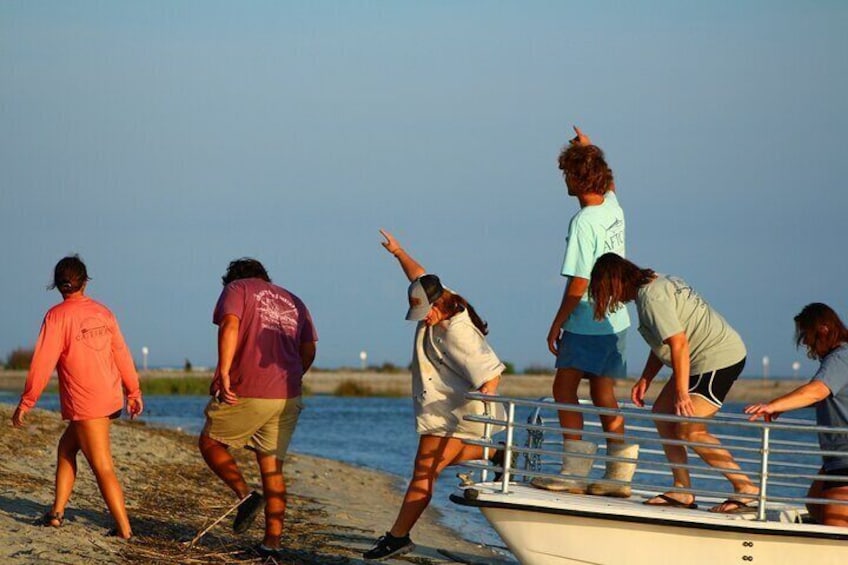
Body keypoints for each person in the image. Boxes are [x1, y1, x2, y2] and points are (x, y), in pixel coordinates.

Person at [364, 230, 505, 561]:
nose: (423, 318)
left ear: (437, 303)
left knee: (423, 473)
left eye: (426, 311)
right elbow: (419, 274)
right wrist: (399, 252)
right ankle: (495, 454)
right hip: (446, 409)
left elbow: (493, 373)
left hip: (454, 412)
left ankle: (398, 537)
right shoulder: (442, 294)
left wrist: (485, 404)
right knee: (429, 469)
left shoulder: (456, 332)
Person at [589, 252, 759, 512]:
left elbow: (678, 343)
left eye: (607, 293)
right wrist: (646, 378)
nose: (613, 300)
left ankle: (747, 488)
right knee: (663, 415)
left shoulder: (651, 297)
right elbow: (665, 340)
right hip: (696, 359)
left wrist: (681, 393)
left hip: (717, 358)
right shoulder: (657, 283)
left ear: (616, 282)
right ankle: (682, 489)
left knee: (691, 430)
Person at [533, 127, 638, 497]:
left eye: (567, 173)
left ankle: (574, 471)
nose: (564, 179)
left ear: (577, 179)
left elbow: (578, 284)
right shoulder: (613, 206)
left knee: (563, 387)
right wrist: (589, 148)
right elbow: (611, 182)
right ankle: (619, 474)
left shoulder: (583, 223)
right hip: (617, 316)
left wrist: (556, 324)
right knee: (603, 394)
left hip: (588, 318)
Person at [11, 255, 143, 538]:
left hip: (87, 404)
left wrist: (27, 401)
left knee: (102, 465)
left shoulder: (57, 316)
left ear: (58, 285)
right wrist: (133, 391)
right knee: (66, 448)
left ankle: (124, 530)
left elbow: (42, 362)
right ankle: (57, 514)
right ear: (85, 281)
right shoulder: (103, 312)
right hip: (108, 399)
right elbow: (121, 352)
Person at [198, 258, 318, 559]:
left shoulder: (237, 289)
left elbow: (230, 324)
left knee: (211, 441)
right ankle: (271, 545)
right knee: (272, 466)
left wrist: (223, 371)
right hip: (288, 393)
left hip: (249, 387)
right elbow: (309, 349)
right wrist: (292, 376)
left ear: (232, 279)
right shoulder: (294, 300)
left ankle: (245, 496)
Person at [745, 303, 848, 526]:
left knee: (834, 535)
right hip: (835, 460)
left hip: (844, 461)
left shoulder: (840, 357)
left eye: (806, 335)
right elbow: (830, 397)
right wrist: (785, 406)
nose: (804, 342)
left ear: (823, 329)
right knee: (814, 503)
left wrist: (773, 405)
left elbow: (817, 391)